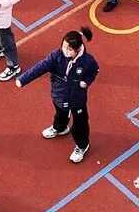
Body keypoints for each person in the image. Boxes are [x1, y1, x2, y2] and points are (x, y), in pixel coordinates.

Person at [16, 27, 99, 164]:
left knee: (80, 124)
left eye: (69, 49)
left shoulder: (87, 61)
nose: (65, 51)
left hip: (77, 99)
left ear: (77, 50)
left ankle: (82, 146)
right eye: (64, 46)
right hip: (59, 94)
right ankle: (60, 127)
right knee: (60, 113)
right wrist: (23, 79)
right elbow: (40, 67)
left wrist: (86, 82)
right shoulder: (56, 56)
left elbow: (94, 70)